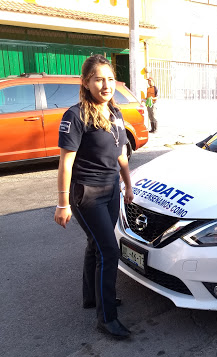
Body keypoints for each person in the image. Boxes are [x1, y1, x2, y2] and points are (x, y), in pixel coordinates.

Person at [54, 54, 134, 340]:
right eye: (99, 79)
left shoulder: (116, 112)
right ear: (86, 82)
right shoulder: (75, 116)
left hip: (112, 189)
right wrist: (62, 203)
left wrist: (128, 184)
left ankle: (93, 297)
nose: (106, 84)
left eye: (110, 78)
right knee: (109, 250)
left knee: (96, 245)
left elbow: (121, 153)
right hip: (87, 194)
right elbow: (65, 163)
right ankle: (107, 318)